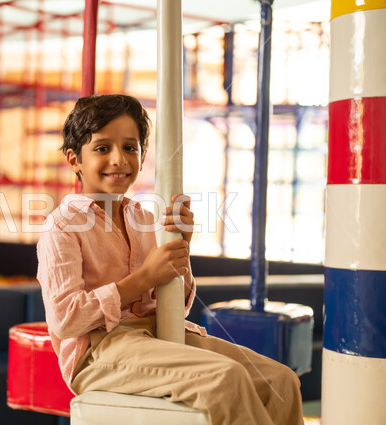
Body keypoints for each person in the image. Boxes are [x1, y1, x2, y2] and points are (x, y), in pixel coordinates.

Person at [36, 94, 304, 425]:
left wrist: (183, 247)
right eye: (102, 148)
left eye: (130, 148)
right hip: (97, 353)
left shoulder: (145, 218)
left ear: (143, 155)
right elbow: (65, 319)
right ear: (75, 159)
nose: (119, 159)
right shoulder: (61, 225)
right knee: (225, 380)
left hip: (158, 333)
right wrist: (144, 278)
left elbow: (177, 307)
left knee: (280, 381)